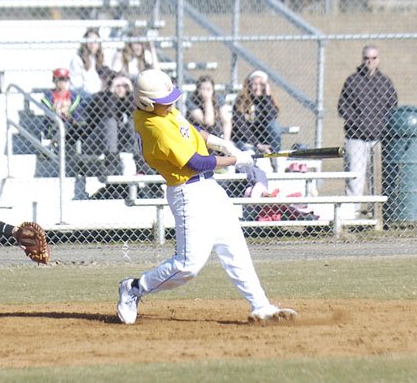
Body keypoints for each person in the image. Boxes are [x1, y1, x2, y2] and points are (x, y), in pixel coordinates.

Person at [117, 68, 297, 325]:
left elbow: (188, 128)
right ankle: (133, 288)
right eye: (165, 102)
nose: (171, 105)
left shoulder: (161, 111)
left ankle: (261, 305)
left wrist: (221, 142)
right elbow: (196, 163)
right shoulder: (153, 126)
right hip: (187, 193)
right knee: (188, 265)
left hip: (210, 189)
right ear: (147, 103)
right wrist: (237, 159)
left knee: (234, 247)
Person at [337, 45, 398, 214]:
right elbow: (343, 107)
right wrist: (359, 123)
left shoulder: (385, 82)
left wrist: (381, 127)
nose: (370, 62)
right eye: (366, 58)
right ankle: (352, 213)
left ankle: (375, 212)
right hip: (356, 138)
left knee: (375, 178)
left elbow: (392, 107)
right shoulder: (352, 81)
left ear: (378, 59)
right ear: (362, 59)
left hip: (378, 139)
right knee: (354, 177)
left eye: (373, 58)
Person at [84, 71, 136, 176]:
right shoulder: (99, 97)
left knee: (132, 122)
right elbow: (107, 113)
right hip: (94, 142)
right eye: (118, 85)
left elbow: (136, 114)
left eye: (124, 86)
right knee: (110, 122)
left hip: (118, 143)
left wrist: (131, 91)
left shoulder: (127, 100)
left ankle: (141, 160)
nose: (121, 88)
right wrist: (111, 92)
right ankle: (110, 160)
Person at [231, 70, 282, 171]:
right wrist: (257, 144)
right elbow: (241, 127)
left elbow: (271, 118)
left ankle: (274, 156)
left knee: (274, 125)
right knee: (246, 150)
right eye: (254, 84)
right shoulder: (241, 101)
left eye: (261, 84)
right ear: (249, 85)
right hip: (245, 138)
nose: (257, 87)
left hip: (263, 138)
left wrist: (267, 96)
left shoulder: (268, 100)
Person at [40, 67, 85, 144]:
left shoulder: (73, 96)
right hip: (54, 125)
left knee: (79, 125)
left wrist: (71, 117)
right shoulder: (49, 96)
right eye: (60, 79)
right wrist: (57, 113)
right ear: (54, 80)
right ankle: (55, 143)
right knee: (60, 123)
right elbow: (47, 112)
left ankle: (56, 143)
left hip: (70, 124)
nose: (62, 82)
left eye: (65, 79)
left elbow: (77, 112)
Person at [186, 75, 232, 141]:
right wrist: (208, 100)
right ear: (198, 90)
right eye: (203, 89)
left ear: (213, 90)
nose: (205, 92)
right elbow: (208, 122)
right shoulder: (191, 100)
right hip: (199, 135)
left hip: (217, 134)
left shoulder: (218, 97)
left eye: (208, 89)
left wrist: (226, 141)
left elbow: (226, 121)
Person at [69, 27, 105, 102]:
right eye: (89, 41)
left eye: (95, 41)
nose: (92, 44)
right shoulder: (77, 59)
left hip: (100, 97)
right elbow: (76, 85)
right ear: (85, 43)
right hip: (85, 99)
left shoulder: (99, 59)